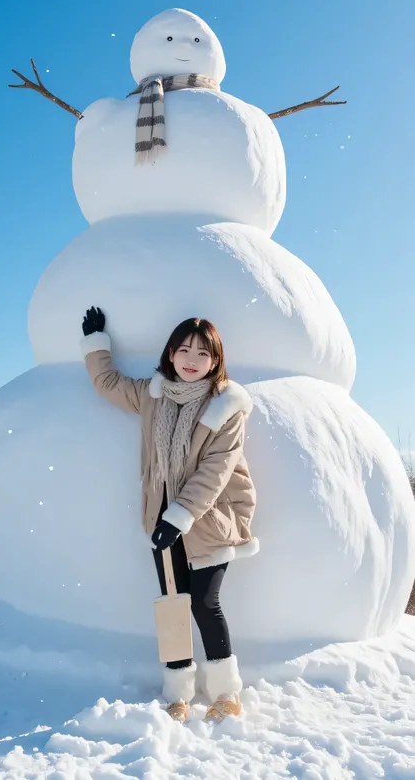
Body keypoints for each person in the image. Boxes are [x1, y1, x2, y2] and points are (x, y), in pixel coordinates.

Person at [80, 307, 259, 723]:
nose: (192, 360)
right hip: (161, 520)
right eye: (184, 350)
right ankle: (178, 691)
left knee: (203, 603)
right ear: (170, 354)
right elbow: (109, 384)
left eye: (202, 353)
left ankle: (226, 692)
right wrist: (96, 346)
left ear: (216, 360)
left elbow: (217, 470)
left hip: (210, 520)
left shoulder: (227, 406)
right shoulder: (154, 394)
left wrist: (179, 517)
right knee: (173, 606)